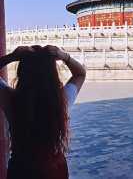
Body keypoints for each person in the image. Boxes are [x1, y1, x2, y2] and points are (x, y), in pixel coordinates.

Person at [0, 45, 86, 179]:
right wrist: (64, 56)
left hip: (21, 169)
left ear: (21, 72)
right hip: (54, 170)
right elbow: (80, 74)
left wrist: (12, 56)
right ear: (52, 73)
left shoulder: (12, 101)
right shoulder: (61, 101)